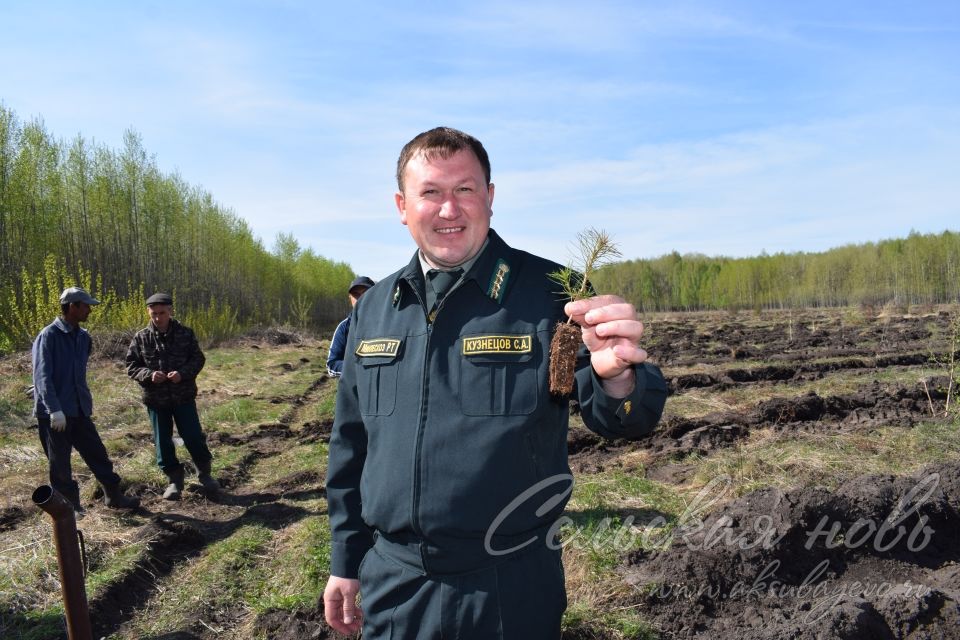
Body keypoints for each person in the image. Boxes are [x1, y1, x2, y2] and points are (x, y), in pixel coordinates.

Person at [323, 127, 668, 639]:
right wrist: (346, 559)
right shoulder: (374, 309)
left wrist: (619, 380)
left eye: (465, 190)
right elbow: (350, 444)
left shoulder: (551, 295)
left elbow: (621, 418)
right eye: (431, 193)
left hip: (509, 585)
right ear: (402, 205)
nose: (449, 210)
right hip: (393, 584)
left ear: (490, 196)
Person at [32, 287, 140, 513]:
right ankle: (70, 510)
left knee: (97, 454)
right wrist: (53, 409)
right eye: (86, 305)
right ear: (72, 306)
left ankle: (114, 496)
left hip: (79, 409)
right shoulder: (48, 336)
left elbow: (75, 374)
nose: (90, 310)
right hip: (55, 415)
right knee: (60, 465)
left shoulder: (83, 337)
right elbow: (42, 377)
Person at [125, 293, 219, 500]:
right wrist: (149, 375)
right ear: (148, 312)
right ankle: (175, 481)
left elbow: (198, 358)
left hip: (183, 397)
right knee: (163, 442)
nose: (158, 318)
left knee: (193, 436)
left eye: (162, 313)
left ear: (171, 311)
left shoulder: (185, 333)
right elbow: (131, 366)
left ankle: (205, 474)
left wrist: (182, 374)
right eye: (154, 313)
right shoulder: (141, 338)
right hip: (156, 400)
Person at [326, 276, 376, 377]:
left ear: (376, 296)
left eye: (366, 293)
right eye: (356, 294)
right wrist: (360, 368)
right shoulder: (344, 327)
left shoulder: (388, 325)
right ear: (350, 297)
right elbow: (332, 365)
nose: (361, 298)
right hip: (354, 390)